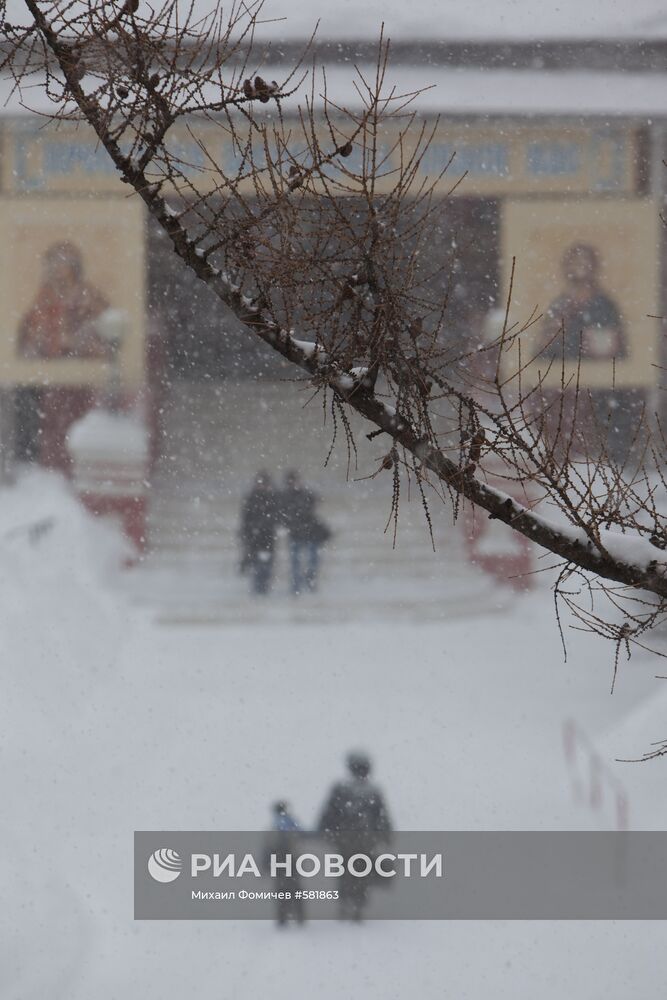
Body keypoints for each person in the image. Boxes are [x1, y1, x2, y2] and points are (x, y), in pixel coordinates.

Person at [15, 241, 113, 470]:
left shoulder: (88, 296)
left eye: (61, 263)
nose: (55, 269)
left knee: (69, 434)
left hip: (80, 383)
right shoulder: (44, 297)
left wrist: (75, 342)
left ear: (74, 267)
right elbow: (28, 335)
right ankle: (33, 471)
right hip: (43, 380)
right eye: (52, 264)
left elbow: (104, 335)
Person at [539, 242, 635, 463]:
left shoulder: (605, 304)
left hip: (601, 390)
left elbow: (618, 349)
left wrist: (599, 345)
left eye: (584, 261)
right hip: (564, 389)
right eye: (575, 262)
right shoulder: (560, 304)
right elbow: (544, 349)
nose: (580, 267)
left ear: (593, 267)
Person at [317, 751, 392, 922]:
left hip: (344, 839)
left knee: (345, 871)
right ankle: (358, 905)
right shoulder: (372, 791)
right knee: (361, 872)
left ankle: (346, 903)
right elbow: (381, 817)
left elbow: (329, 814)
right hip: (365, 840)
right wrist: (385, 836)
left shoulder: (341, 789)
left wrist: (325, 832)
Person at [279, 470, 330, 596]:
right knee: (296, 564)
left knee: (312, 562)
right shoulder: (286, 497)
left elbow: (317, 501)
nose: (294, 484)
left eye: (296, 481)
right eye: (292, 481)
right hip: (296, 534)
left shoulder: (306, 494)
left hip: (310, 533)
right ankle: (298, 587)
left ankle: (308, 584)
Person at [264, 801, 305, 927]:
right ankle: (299, 916)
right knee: (295, 888)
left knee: (281, 889)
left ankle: (283, 917)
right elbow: (301, 836)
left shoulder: (274, 825)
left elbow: (267, 847)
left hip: (278, 860)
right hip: (292, 860)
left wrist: (265, 864)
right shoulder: (292, 822)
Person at [239, 471, 279, 595]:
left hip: (268, 539)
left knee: (266, 568)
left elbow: (276, 517)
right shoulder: (251, 499)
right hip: (254, 539)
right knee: (257, 568)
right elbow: (245, 519)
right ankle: (257, 592)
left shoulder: (272, 498)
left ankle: (263, 590)